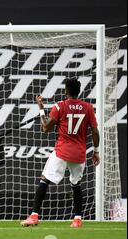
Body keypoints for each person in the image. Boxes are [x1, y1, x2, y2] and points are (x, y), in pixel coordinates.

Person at [21, 78, 100, 228]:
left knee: (45, 180)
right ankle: (77, 219)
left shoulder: (60, 106)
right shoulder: (88, 107)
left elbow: (45, 128)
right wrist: (96, 152)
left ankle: (34, 216)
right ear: (79, 91)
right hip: (79, 154)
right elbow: (95, 131)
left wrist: (41, 108)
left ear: (66, 91)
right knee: (76, 184)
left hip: (62, 151)